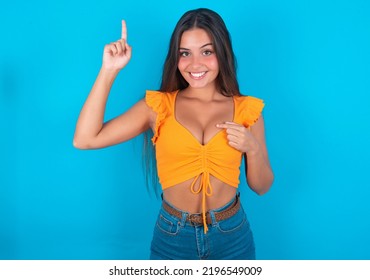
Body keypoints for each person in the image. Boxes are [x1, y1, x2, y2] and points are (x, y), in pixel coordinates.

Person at [73, 8, 274, 260]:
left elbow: (262, 186)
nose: (195, 64)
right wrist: (109, 70)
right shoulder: (157, 107)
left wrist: (252, 148)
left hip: (232, 234)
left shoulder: (248, 110)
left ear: (222, 53)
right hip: (173, 236)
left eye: (207, 52)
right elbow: (84, 139)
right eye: (185, 53)